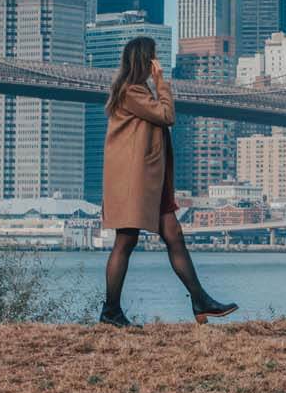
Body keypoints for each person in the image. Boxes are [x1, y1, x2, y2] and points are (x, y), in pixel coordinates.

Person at [99, 35, 237, 327]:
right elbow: (167, 114)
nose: (157, 62)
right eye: (154, 56)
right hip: (134, 183)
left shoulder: (136, 90)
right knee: (126, 240)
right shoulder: (131, 91)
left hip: (152, 180)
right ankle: (110, 311)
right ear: (144, 60)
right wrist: (162, 82)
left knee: (174, 235)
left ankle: (200, 300)